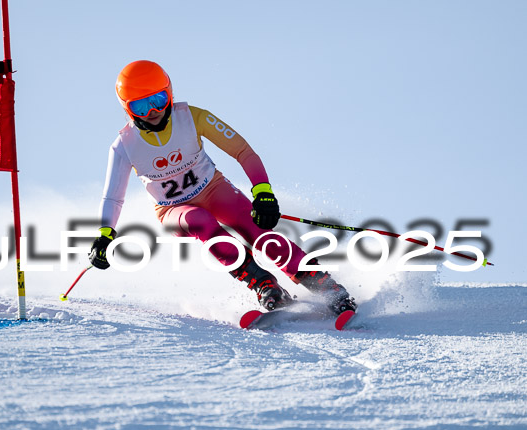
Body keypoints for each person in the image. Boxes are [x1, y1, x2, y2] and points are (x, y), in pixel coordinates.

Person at [89, 60, 356, 315]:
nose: (153, 112)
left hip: (213, 189)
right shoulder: (124, 145)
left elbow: (243, 151)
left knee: (257, 230)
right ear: (127, 109)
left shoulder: (193, 117)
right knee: (200, 220)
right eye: (141, 106)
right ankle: (264, 284)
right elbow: (113, 197)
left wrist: (262, 193)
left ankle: (324, 285)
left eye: (158, 100)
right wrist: (104, 235)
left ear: (169, 94)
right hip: (173, 210)